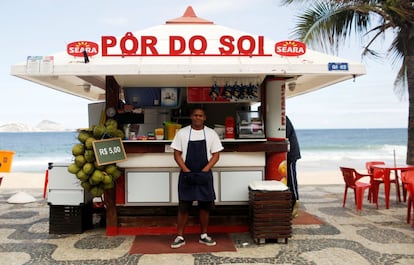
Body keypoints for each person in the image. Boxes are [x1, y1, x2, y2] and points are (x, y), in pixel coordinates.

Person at [170, 107, 224, 249]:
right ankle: (180, 236)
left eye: (200, 115)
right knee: (183, 207)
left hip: (204, 174)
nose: (198, 118)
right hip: (186, 174)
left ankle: (204, 235)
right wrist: (186, 170)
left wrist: (205, 170)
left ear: (204, 118)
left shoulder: (211, 134)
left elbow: (216, 155)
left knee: (205, 206)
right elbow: (176, 154)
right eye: (195, 115)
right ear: (191, 117)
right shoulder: (182, 133)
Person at [286, 116, 301, 218]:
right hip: (289, 153)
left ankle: (295, 204)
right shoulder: (283, 118)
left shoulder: (283, 119)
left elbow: (284, 135)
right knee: (289, 180)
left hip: (291, 154)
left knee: (292, 180)